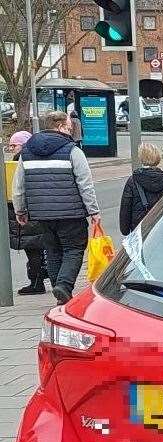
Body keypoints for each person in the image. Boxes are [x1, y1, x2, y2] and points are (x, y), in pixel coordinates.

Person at [12, 109, 101, 305]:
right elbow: (85, 184)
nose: (70, 131)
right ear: (60, 126)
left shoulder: (26, 153)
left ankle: (59, 291)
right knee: (74, 249)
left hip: (42, 214)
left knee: (52, 251)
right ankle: (64, 285)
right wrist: (93, 211)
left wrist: (20, 209)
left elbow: (18, 185)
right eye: (69, 127)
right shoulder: (73, 151)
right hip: (71, 213)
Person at [6, 131, 48, 295]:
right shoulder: (36, 158)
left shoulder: (20, 161)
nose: (11, 148)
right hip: (39, 209)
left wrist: (19, 210)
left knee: (33, 249)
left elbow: (17, 190)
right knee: (37, 248)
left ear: (23, 145)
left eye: (14, 145)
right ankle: (42, 278)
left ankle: (36, 282)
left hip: (26, 213)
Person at [119, 143, 163, 235]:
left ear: (141, 157)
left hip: (139, 230)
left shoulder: (133, 181)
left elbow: (126, 208)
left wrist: (125, 231)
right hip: (161, 227)